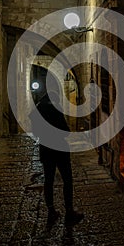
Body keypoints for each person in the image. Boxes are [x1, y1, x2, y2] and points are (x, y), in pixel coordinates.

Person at [31, 90, 84, 227]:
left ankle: (51, 211)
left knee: (48, 181)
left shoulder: (38, 110)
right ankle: (69, 211)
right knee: (67, 179)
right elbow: (65, 130)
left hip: (46, 149)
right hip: (60, 149)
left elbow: (35, 132)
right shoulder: (55, 109)